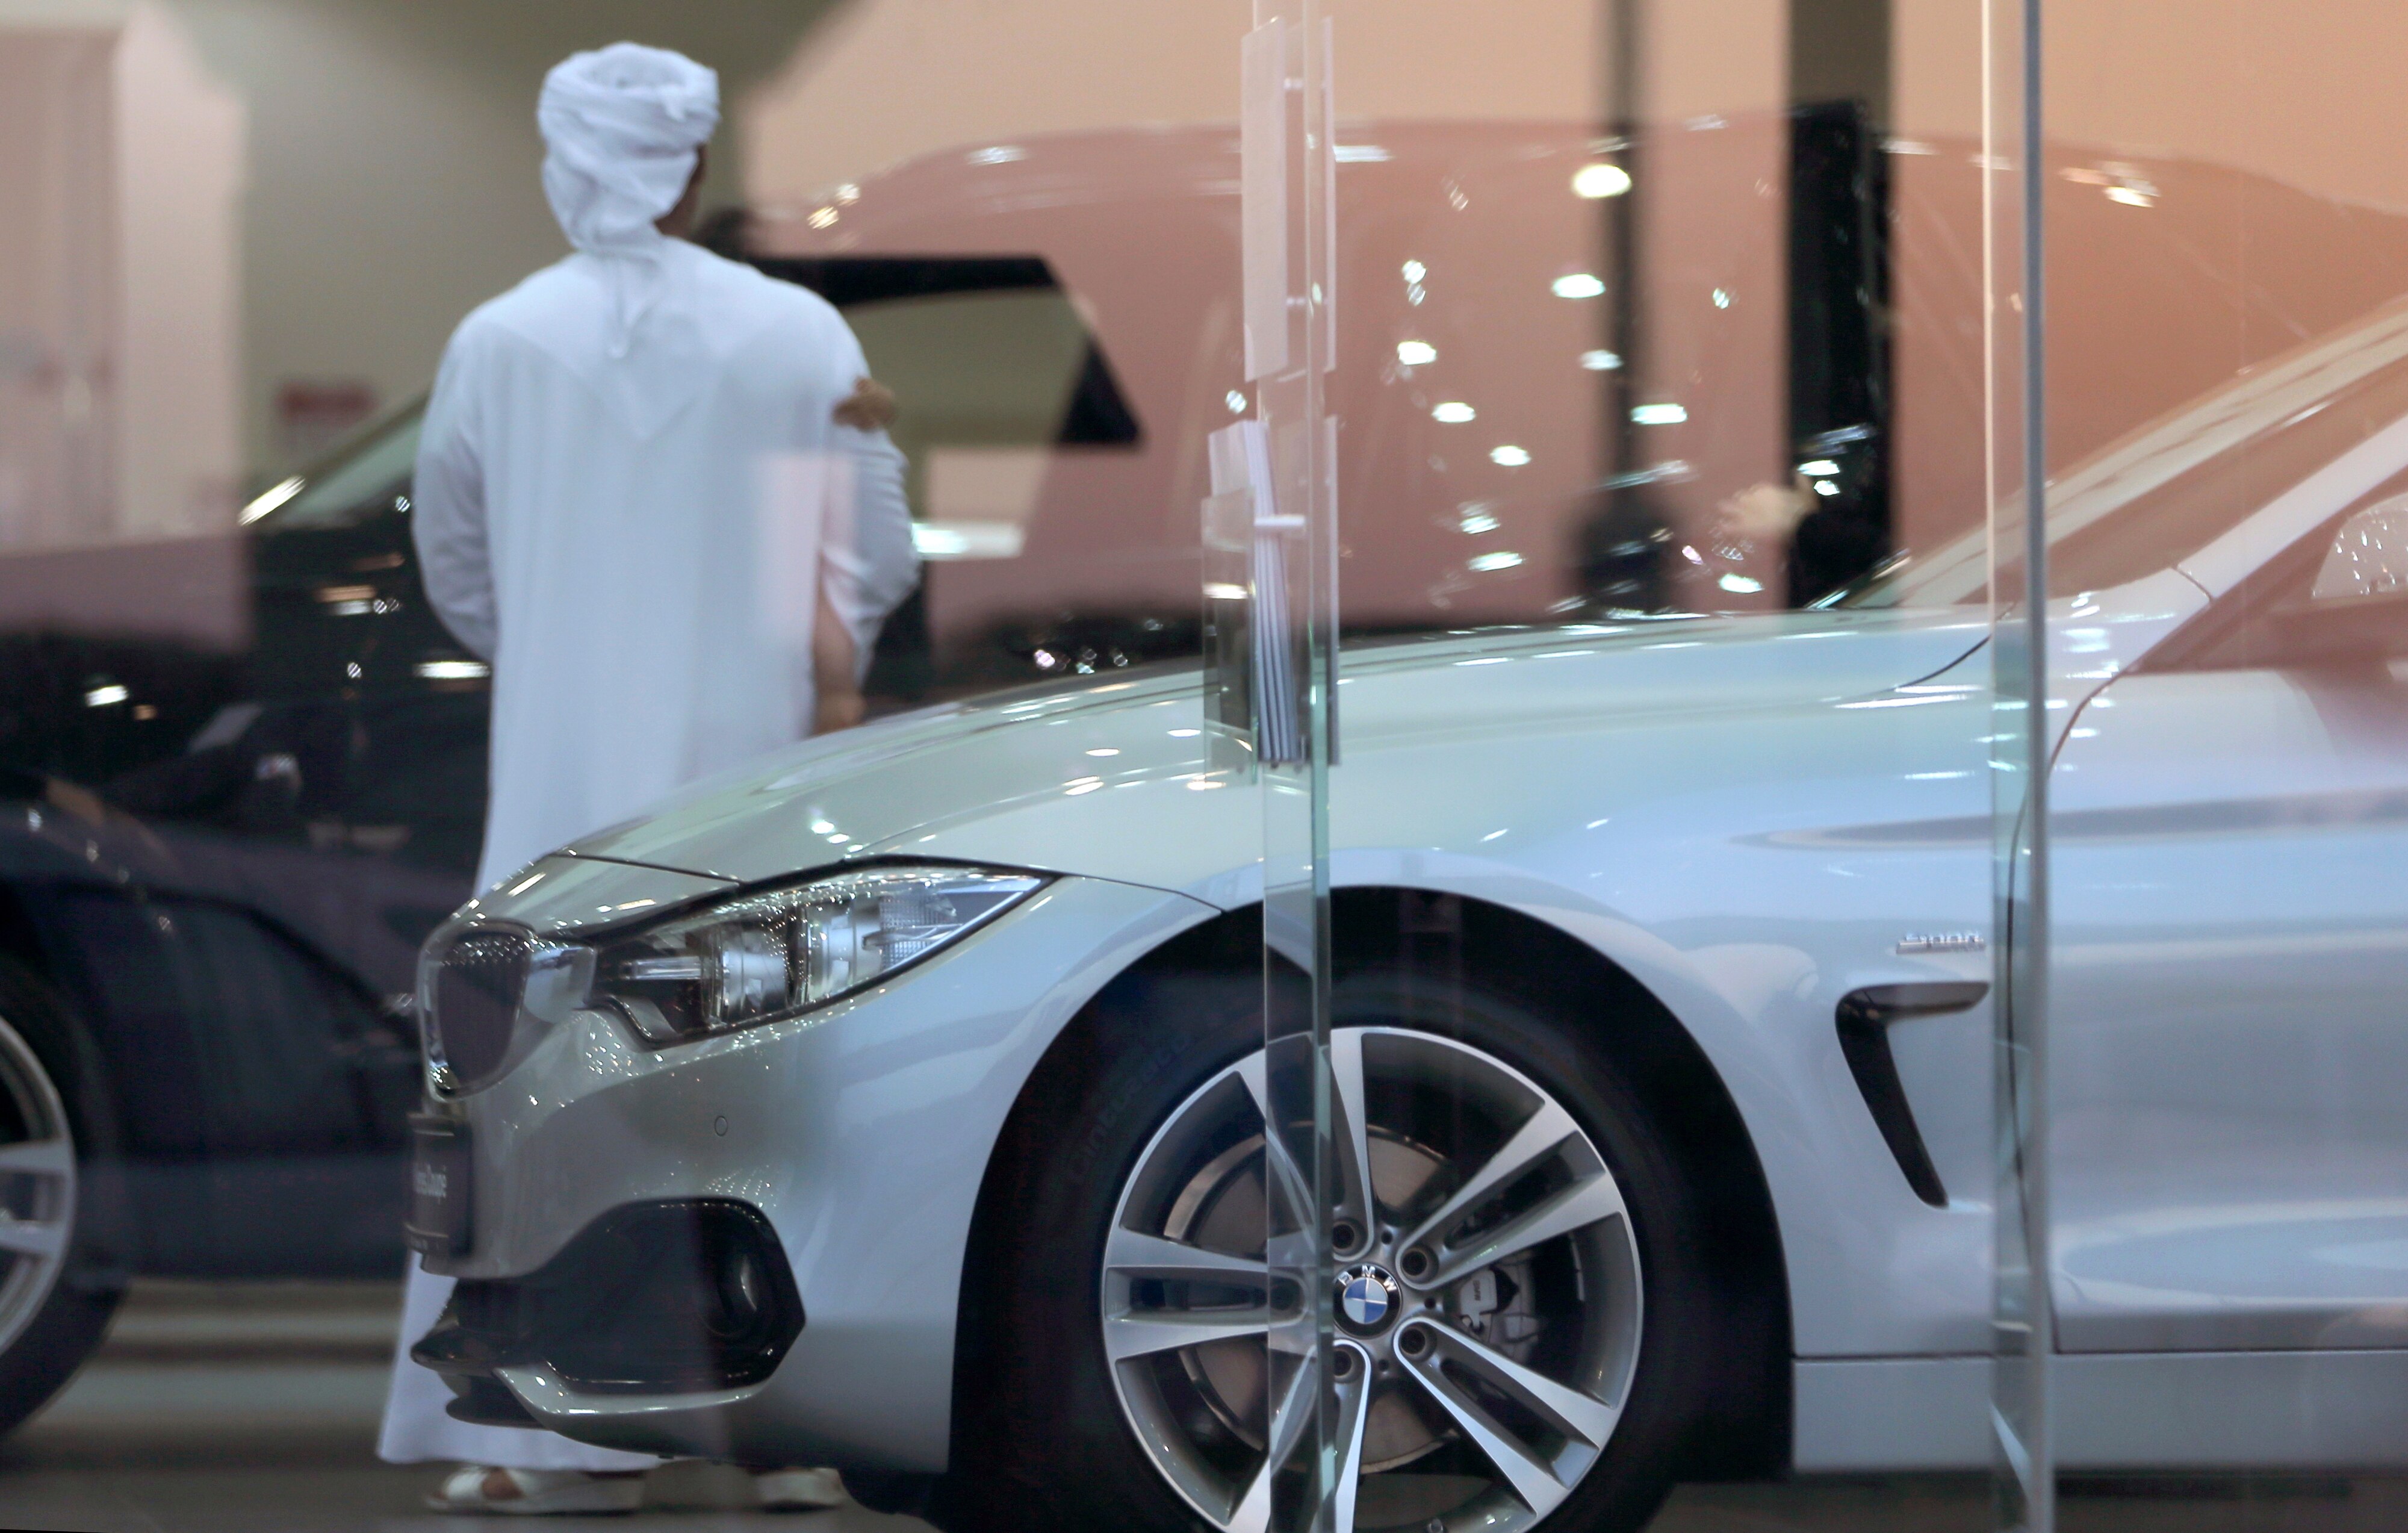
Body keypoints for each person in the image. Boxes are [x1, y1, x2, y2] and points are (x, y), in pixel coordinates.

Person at [377, 42, 919, 1515]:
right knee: (783, 1068)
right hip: (755, 769)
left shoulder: (495, 337)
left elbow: (457, 567)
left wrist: (557, 641)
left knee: (542, 1069)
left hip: (560, 771)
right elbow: (871, 546)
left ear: (563, 161)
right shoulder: (800, 335)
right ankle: (794, 1427)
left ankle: (546, 1436)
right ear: (689, 167)